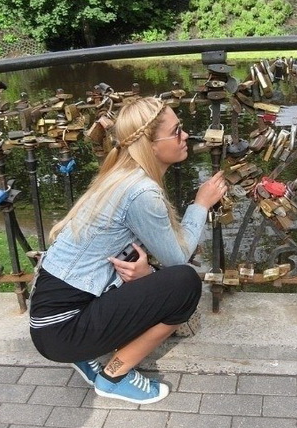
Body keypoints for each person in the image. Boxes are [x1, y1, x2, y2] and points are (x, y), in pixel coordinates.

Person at [29, 96, 227, 405]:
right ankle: (114, 377)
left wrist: (147, 274)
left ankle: (84, 355)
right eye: (176, 131)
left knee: (152, 273)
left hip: (49, 320)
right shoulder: (141, 191)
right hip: (61, 330)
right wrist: (201, 204)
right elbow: (178, 259)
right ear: (151, 145)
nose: (186, 136)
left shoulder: (120, 176)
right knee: (185, 283)